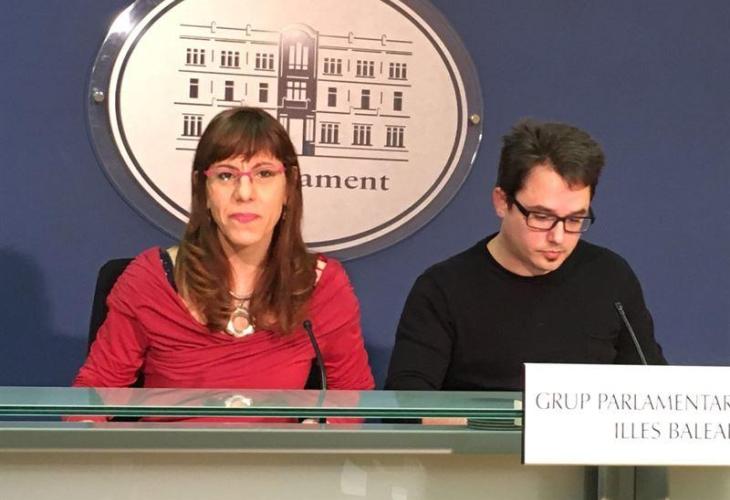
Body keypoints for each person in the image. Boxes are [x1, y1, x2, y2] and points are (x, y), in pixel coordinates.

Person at [74, 107, 374, 415]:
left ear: (289, 186)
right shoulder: (149, 281)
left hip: (277, 448)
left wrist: (317, 432)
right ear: (203, 189)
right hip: (170, 447)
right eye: (226, 175)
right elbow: (93, 397)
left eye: (264, 174)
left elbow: (351, 396)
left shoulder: (321, 286)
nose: (244, 193)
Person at [386, 119, 666, 393]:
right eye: (542, 217)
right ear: (502, 202)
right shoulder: (444, 288)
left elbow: (654, 391)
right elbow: (407, 401)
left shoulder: (610, 277)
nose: (558, 237)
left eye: (574, 219)